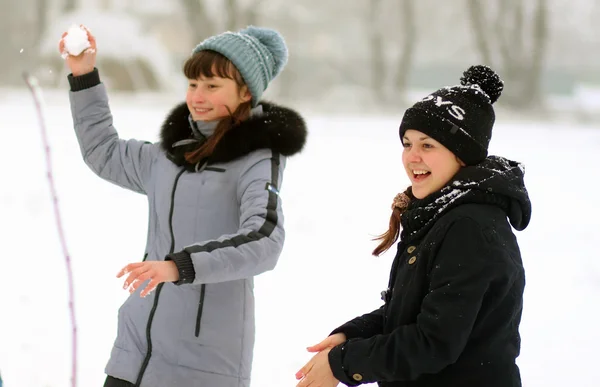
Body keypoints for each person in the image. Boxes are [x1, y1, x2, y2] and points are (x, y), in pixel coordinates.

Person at [59, 25, 307, 387]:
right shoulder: (168, 157)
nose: (198, 95)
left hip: (203, 364)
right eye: (193, 84)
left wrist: (180, 267)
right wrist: (83, 75)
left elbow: (264, 240)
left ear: (244, 93)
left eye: (212, 85)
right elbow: (104, 152)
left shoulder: (255, 161)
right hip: (134, 353)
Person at [295, 65, 531, 387]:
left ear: (462, 155)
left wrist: (343, 364)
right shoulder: (441, 213)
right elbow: (412, 311)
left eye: (428, 145)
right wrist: (350, 336)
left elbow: (433, 343)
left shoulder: (469, 227)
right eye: (407, 144)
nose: (412, 157)